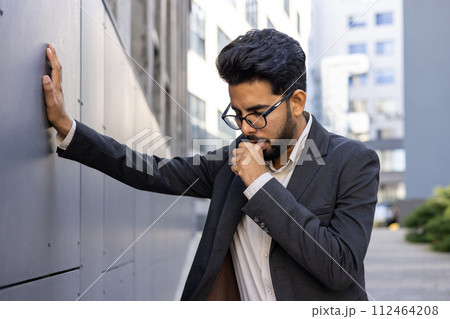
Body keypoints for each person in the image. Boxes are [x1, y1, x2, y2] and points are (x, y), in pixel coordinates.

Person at [42, 29, 380, 301]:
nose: (247, 128)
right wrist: (67, 126)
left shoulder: (352, 161)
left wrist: (261, 185)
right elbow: (151, 170)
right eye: (238, 114)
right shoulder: (233, 160)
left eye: (258, 114)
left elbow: (341, 268)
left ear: (296, 101)